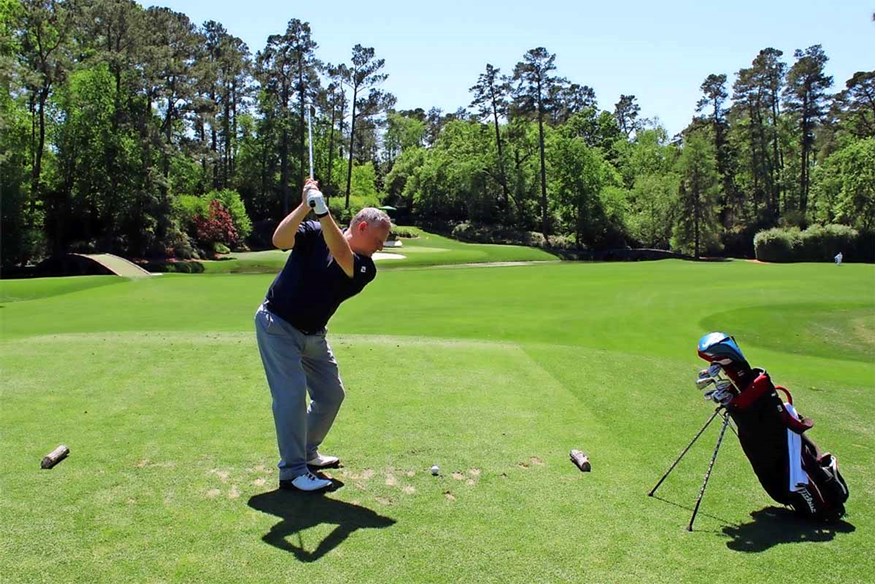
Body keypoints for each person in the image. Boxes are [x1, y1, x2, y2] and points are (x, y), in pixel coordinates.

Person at [255, 179, 392, 492]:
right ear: (360, 228)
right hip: (276, 324)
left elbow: (341, 255)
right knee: (291, 396)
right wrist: (306, 204)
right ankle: (292, 472)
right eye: (378, 239)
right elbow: (280, 239)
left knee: (331, 394)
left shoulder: (365, 267)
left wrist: (322, 211)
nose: (380, 246)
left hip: (314, 335)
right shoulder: (313, 232)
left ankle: (306, 453)